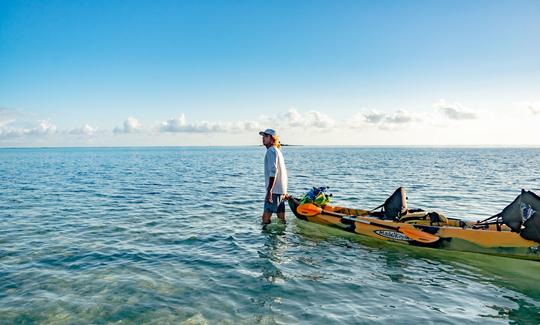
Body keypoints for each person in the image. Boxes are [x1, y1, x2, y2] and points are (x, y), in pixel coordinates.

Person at [259, 128, 288, 225]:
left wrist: (269, 190)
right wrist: (285, 191)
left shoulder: (271, 151)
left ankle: (267, 240)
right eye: (263, 136)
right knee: (281, 219)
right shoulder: (277, 151)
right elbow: (282, 172)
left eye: (266, 136)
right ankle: (283, 238)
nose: (263, 138)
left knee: (265, 218)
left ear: (272, 139)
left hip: (274, 191)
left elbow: (273, 171)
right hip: (280, 191)